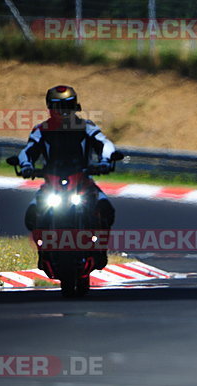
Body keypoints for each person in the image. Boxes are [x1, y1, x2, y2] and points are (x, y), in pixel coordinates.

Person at [19, 85, 116, 268]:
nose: (63, 111)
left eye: (67, 106)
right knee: (31, 215)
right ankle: (43, 252)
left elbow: (105, 144)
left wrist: (105, 160)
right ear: (50, 107)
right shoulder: (42, 130)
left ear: (75, 106)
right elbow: (27, 151)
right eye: (58, 106)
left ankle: (100, 249)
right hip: (52, 184)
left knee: (106, 209)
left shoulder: (86, 127)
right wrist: (26, 165)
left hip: (83, 181)